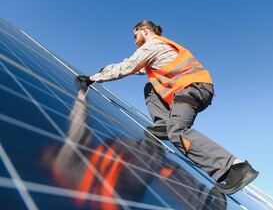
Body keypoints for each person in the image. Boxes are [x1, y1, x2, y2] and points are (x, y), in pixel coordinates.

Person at [77, 20, 258, 194]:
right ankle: (163, 124)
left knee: (177, 131)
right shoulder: (159, 48)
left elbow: (127, 66)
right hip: (194, 89)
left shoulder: (152, 45)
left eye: (135, 35)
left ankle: (236, 167)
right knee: (150, 87)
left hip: (191, 89)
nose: (135, 41)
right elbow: (134, 68)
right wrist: (102, 72)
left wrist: (94, 78)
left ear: (144, 30)